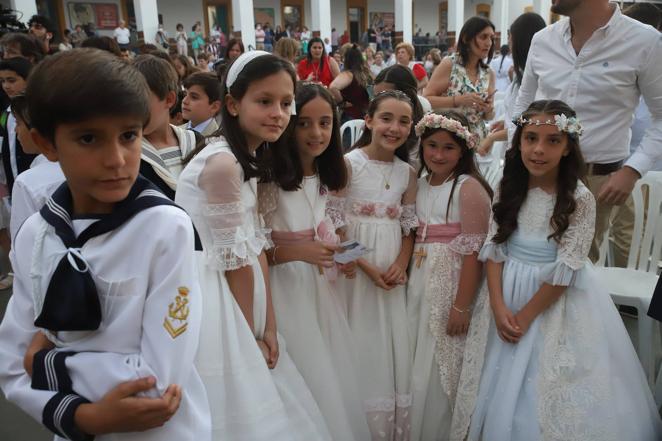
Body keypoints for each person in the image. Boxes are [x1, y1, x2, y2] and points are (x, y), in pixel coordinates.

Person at [0, 48, 211, 441]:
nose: (116, 159)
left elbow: (157, 381)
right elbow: (12, 364)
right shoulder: (36, 234)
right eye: (88, 138)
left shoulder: (166, 229)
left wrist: (47, 364)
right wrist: (86, 419)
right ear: (48, 144)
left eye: (129, 135)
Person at [465, 99, 662, 441]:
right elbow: (494, 248)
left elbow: (568, 267)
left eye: (553, 140)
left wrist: (525, 316)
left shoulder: (579, 198)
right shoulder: (507, 186)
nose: (539, 150)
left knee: (548, 377)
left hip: (551, 299)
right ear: (519, 141)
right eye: (530, 138)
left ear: (569, 147)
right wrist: (498, 306)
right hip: (504, 288)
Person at [176, 51, 332, 440]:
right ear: (232, 103)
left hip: (245, 289)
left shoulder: (249, 157)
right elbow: (234, 261)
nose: (278, 113)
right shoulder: (223, 164)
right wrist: (248, 338)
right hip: (216, 293)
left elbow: (256, 247)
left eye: (284, 103)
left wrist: (272, 327)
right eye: (264, 102)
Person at [511, 0, 662, 264]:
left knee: (576, 270)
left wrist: (632, 169)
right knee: (527, 259)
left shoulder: (644, 41)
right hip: (537, 174)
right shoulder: (543, 40)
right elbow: (523, 107)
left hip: (597, 181)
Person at [259, 82, 371, 441]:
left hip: (320, 289)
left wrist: (346, 255)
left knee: (328, 369)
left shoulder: (326, 176)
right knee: (301, 366)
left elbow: (330, 229)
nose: (316, 133)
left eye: (325, 123)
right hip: (283, 290)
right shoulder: (268, 179)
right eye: (304, 123)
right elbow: (255, 250)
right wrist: (298, 252)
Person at [406, 111, 492, 441]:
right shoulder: (421, 183)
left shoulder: (468, 187)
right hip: (420, 272)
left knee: (441, 351)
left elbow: (474, 252)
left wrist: (462, 306)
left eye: (448, 148)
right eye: (431, 146)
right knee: (417, 345)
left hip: (451, 281)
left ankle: (441, 427)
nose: (438, 155)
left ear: (464, 151)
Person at [341, 90, 417, 439]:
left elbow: (408, 226)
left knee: (387, 341)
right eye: (386, 118)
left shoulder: (408, 173)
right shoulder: (348, 164)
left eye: (404, 121)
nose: (394, 127)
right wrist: (365, 267)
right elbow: (334, 224)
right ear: (368, 120)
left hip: (389, 272)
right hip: (354, 271)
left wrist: (401, 263)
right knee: (358, 336)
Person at [478, 13, 546, 157]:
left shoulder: (536, 79)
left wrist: (492, 137)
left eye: (511, 39)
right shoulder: (521, 75)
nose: (509, 44)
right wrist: (505, 121)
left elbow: (529, 121)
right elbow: (519, 115)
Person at [134, 55, 199, 200]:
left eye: (142, 101)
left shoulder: (196, 142)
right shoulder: (130, 155)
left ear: (169, 99)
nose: (134, 111)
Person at [424, 16, 496, 141]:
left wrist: (488, 109)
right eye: (483, 37)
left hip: (479, 141)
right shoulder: (450, 64)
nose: (489, 43)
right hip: (451, 138)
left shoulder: (489, 73)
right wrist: (459, 100)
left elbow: (488, 117)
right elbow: (426, 100)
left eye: (491, 38)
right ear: (466, 38)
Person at [8, 94, 64, 244]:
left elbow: (23, 245)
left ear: (36, 131)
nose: (15, 130)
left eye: (18, 123)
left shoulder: (28, 183)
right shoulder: (85, 167)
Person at [373, 65, 429, 167]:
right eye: (375, 96)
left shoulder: (424, 130)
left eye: (384, 96)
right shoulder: (374, 123)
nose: (376, 102)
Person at [329, 44, 371, 123]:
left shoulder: (349, 74)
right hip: (363, 115)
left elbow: (333, 87)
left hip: (351, 117)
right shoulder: (365, 74)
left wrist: (342, 103)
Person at [180, 71, 221, 137]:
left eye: (194, 97)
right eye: (185, 95)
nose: (184, 101)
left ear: (214, 107)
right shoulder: (175, 132)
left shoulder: (219, 140)